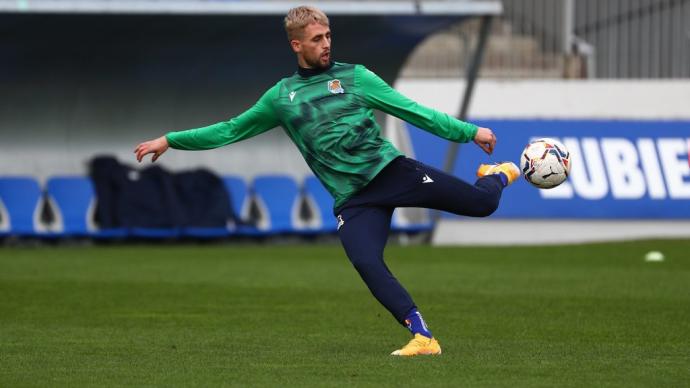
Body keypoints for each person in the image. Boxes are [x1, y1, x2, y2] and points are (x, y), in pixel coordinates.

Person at [134, 5, 520, 356]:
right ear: (296, 45)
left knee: (482, 204)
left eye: (328, 36)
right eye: (317, 39)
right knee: (366, 261)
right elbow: (229, 130)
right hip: (354, 199)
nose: (326, 44)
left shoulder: (357, 78)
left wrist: (469, 132)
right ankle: (423, 337)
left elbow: (413, 112)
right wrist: (171, 139)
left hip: (391, 173)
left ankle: (497, 175)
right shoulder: (281, 98)